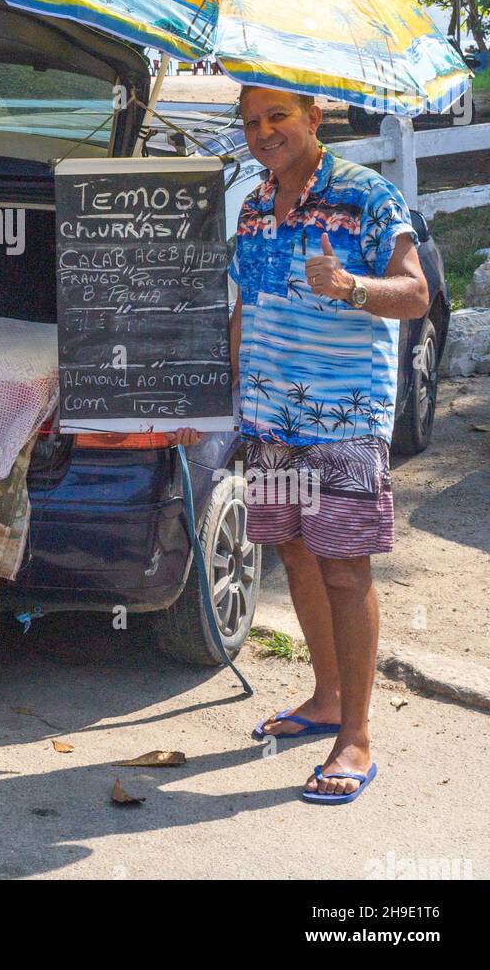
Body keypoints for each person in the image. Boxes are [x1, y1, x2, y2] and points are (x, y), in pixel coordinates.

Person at [171, 86, 429, 804]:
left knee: (344, 569)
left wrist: (348, 286)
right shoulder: (254, 206)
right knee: (293, 553)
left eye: (277, 117)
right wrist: (215, 399)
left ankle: (356, 736)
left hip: (343, 416)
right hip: (270, 420)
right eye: (251, 122)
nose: (263, 132)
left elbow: (414, 296)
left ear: (314, 120)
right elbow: (244, 309)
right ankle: (323, 700)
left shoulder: (366, 196)